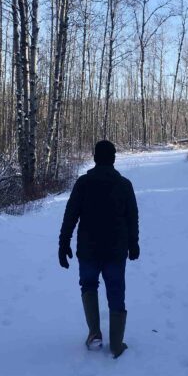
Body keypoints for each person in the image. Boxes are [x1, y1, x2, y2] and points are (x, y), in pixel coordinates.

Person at [58, 140, 140, 358]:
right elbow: (132, 218)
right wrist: (133, 243)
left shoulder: (83, 183)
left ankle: (94, 334)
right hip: (115, 251)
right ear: (113, 159)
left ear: (95, 158)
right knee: (116, 291)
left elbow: (70, 215)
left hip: (88, 251)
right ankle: (116, 344)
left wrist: (63, 243)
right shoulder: (124, 185)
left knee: (88, 285)